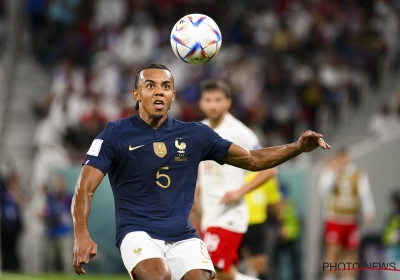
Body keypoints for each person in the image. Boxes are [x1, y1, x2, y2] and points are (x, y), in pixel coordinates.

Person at [71, 63, 330, 280]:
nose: (158, 92)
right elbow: (85, 187)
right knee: (159, 276)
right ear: (136, 94)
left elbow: (252, 159)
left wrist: (297, 147)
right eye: (150, 85)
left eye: (166, 86)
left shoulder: (195, 134)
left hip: (182, 234)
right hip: (137, 232)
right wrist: (81, 234)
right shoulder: (115, 133)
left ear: (173, 96)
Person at [194, 79, 278, 280]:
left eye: (218, 100)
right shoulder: (199, 130)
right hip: (210, 215)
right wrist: (196, 199)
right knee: (224, 274)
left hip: (229, 216)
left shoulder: (239, 132)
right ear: (201, 103)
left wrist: (240, 191)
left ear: (228, 102)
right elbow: (204, 172)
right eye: (208, 100)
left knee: (207, 271)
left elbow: (270, 169)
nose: (213, 105)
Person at [319, 149, 375, 280]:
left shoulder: (357, 173)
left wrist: (369, 210)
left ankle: (348, 277)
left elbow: (364, 193)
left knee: (350, 251)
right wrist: (331, 172)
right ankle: (330, 276)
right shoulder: (331, 171)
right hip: (334, 217)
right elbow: (323, 190)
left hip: (351, 218)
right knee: (333, 251)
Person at [238, 170, 282, 280]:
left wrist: (281, 222)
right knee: (230, 265)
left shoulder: (266, 174)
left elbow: (275, 202)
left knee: (261, 265)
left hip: (256, 225)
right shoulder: (234, 172)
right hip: (236, 224)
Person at [42, 174, 73, 273]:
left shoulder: (68, 198)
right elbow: (45, 212)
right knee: (50, 260)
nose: (59, 186)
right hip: (52, 232)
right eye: (58, 184)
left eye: (61, 184)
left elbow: (73, 213)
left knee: (66, 261)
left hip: (64, 232)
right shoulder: (50, 198)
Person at [0, 171, 26, 271]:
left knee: (14, 248)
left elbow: (23, 201)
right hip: (5, 224)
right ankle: (6, 268)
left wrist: (16, 192)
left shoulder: (18, 191)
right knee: (5, 247)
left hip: (15, 225)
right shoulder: (4, 192)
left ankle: (15, 268)